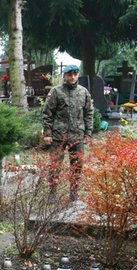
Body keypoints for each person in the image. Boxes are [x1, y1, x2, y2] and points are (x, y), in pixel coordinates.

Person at [42, 64, 93, 202]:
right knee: (55, 164)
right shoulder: (56, 92)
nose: (73, 77)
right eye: (70, 74)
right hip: (58, 135)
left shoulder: (84, 92)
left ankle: (74, 192)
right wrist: (47, 133)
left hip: (77, 134)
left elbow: (88, 114)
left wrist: (88, 133)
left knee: (77, 165)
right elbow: (47, 113)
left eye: (75, 74)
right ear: (64, 76)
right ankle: (52, 193)